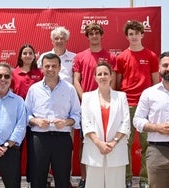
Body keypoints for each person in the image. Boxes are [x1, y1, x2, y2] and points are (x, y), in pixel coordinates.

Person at [25, 53, 81, 188]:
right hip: (39, 138)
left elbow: (77, 115)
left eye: (54, 66)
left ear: (60, 67)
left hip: (62, 139)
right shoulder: (34, 89)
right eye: (47, 66)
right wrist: (36, 121)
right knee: (38, 179)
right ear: (42, 68)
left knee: (62, 179)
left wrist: (66, 122)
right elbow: (26, 115)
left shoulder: (70, 89)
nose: (51, 69)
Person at [116, 20, 159, 188]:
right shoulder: (121, 57)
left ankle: (145, 179)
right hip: (127, 105)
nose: (134, 36)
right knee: (124, 143)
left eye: (137, 33)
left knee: (147, 144)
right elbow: (118, 84)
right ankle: (126, 178)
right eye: (130, 34)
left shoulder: (151, 56)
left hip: (147, 106)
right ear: (127, 36)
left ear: (142, 34)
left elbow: (156, 84)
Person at [72, 23, 116, 188]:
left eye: (97, 33)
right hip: (87, 106)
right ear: (88, 36)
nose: (94, 36)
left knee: (107, 140)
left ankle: (106, 178)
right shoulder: (80, 57)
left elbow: (114, 81)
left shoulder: (111, 57)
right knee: (86, 142)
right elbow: (76, 80)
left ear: (101, 35)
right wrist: (86, 99)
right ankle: (85, 179)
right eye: (91, 33)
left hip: (107, 105)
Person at [133, 51, 169, 188]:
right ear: (159, 68)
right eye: (165, 65)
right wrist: (157, 128)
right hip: (157, 151)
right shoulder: (149, 93)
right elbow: (137, 120)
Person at [81, 61, 130, 188]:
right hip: (94, 150)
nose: (103, 76)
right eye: (99, 74)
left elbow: (125, 123)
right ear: (95, 77)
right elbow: (86, 123)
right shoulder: (87, 97)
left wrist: (113, 143)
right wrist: (99, 143)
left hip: (116, 150)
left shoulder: (121, 97)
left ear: (111, 76)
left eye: (106, 73)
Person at [11, 44, 43, 186]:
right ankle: (13, 181)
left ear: (34, 56)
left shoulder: (40, 73)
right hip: (17, 118)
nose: (28, 55)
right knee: (15, 152)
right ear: (20, 56)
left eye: (31, 53)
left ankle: (32, 181)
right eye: (25, 53)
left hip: (34, 119)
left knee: (34, 153)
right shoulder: (13, 73)